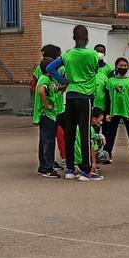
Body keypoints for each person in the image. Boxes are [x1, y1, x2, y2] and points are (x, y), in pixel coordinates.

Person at [47, 25, 102, 180]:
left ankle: (70, 169)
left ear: (73, 38)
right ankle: (86, 171)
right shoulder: (93, 54)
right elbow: (95, 70)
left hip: (71, 95)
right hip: (85, 96)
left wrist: (63, 79)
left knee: (70, 132)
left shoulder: (67, 54)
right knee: (85, 133)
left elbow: (51, 68)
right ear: (87, 38)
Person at [102, 56, 129, 164]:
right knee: (110, 134)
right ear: (116, 67)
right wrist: (107, 113)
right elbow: (107, 99)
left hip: (127, 112)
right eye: (121, 65)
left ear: (128, 67)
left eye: (125, 66)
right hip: (114, 112)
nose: (123, 67)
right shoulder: (110, 81)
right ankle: (107, 154)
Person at [32, 44, 66, 168]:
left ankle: (47, 163)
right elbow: (41, 90)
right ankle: (47, 166)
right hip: (48, 113)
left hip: (55, 111)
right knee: (48, 140)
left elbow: (54, 89)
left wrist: (63, 86)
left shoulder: (49, 79)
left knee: (47, 139)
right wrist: (46, 105)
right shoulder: (44, 79)